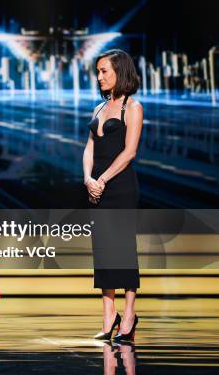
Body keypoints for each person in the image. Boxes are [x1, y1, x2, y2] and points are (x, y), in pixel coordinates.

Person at [82, 49, 143, 342]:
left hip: (120, 186)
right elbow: (89, 148)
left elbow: (130, 152)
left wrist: (103, 179)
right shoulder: (98, 108)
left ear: (120, 71)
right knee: (104, 251)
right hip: (97, 188)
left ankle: (129, 316)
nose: (100, 76)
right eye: (98, 71)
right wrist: (88, 179)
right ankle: (109, 316)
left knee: (122, 250)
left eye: (104, 70)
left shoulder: (132, 107)